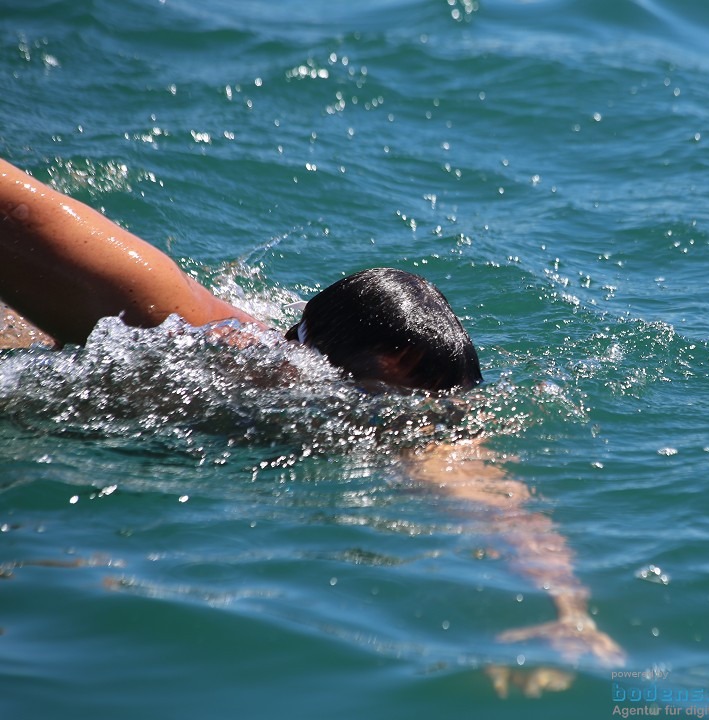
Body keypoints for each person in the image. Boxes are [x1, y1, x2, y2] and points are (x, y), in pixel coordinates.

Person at [0, 156, 625, 693]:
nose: (430, 430)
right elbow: (485, 497)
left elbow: (488, 495)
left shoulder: (228, 344)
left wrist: (568, 607)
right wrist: (571, 613)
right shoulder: (167, 309)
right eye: (431, 407)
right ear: (394, 362)